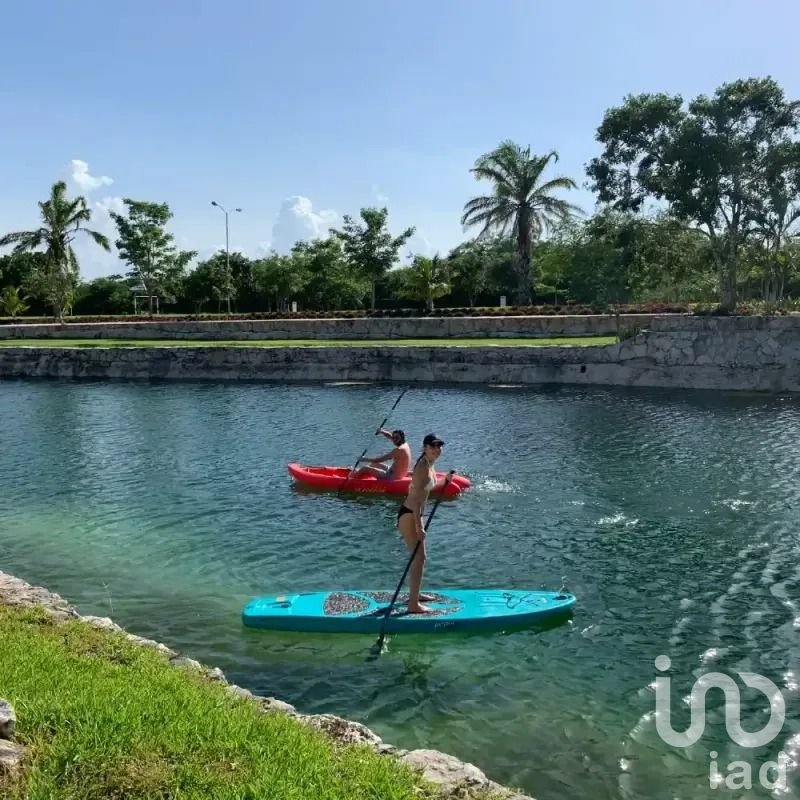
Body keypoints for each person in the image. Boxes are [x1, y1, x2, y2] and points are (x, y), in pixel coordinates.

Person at [395, 433, 445, 613]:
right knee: (419, 557)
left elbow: (428, 487)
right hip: (410, 515)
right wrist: (419, 525)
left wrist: (444, 482)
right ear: (425, 448)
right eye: (433, 446)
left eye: (439, 446)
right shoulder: (423, 466)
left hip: (415, 514)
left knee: (420, 557)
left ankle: (415, 595)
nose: (437, 449)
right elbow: (416, 499)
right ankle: (413, 605)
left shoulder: (429, 463)